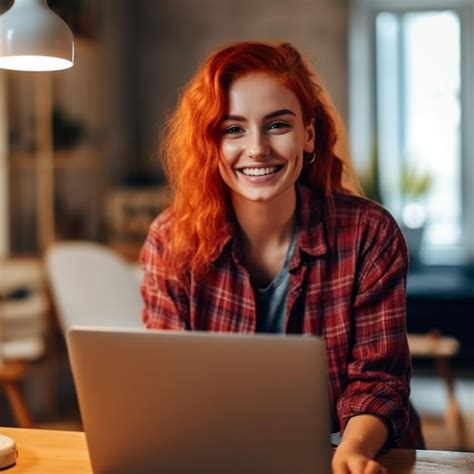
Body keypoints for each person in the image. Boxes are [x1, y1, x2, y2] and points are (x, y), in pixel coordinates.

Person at [140, 41, 424, 474]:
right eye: (233, 129)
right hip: (226, 455)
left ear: (308, 134)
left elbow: (378, 382)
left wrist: (354, 450)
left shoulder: (369, 233)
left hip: (359, 453)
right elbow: (166, 387)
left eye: (277, 125)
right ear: (210, 143)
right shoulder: (170, 240)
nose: (257, 149)